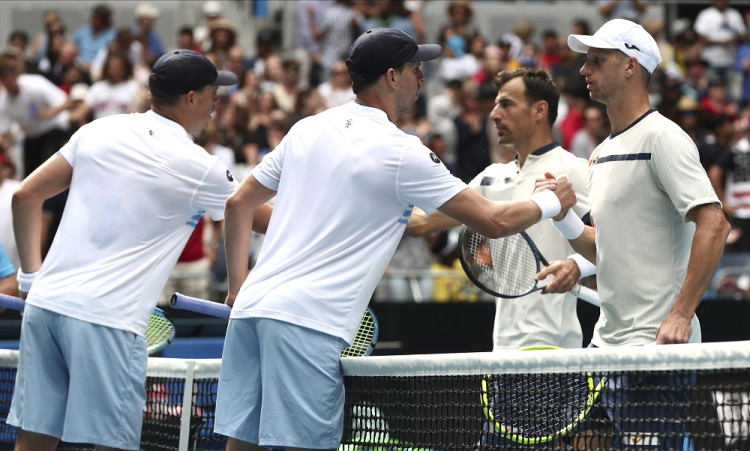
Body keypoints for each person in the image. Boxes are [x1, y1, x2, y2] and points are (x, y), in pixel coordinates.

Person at [213, 28, 577, 451]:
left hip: (251, 314)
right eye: (415, 70)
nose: (421, 79)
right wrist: (551, 201)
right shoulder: (402, 151)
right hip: (307, 322)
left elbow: (239, 205)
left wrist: (238, 288)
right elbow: (493, 221)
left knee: (242, 447)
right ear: (391, 76)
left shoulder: (306, 130)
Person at [6, 49, 261, 451]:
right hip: (108, 319)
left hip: (45, 308)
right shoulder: (201, 166)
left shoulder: (98, 130)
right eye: (214, 93)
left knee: (33, 443)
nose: (218, 103)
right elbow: (249, 211)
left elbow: (24, 196)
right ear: (191, 98)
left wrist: (30, 280)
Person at [538, 18, 730, 449]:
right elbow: (602, 245)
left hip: (653, 353)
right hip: (604, 346)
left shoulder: (663, 137)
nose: (584, 70)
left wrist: (681, 314)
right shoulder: (602, 153)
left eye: (596, 61)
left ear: (630, 66)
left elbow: (715, 225)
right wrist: (565, 217)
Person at [407, 67, 593, 351]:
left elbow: (615, 244)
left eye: (506, 104)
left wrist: (578, 266)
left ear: (539, 110)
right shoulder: (489, 177)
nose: (494, 114)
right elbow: (420, 223)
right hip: (502, 351)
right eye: (495, 104)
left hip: (555, 351)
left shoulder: (574, 170)